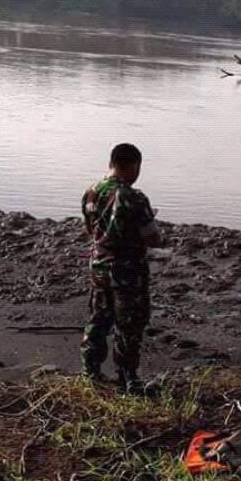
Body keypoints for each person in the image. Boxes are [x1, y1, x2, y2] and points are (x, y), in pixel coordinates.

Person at [81, 143, 164, 393]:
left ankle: (91, 373)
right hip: (127, 271)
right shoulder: (133, 197)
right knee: (129, 324)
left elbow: (90, 229)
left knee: (99, 319)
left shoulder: (91, 192)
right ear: (133, 165)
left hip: (99, 266)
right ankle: (128, 380)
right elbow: (152, 238)